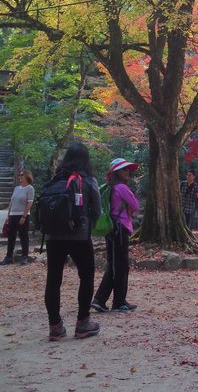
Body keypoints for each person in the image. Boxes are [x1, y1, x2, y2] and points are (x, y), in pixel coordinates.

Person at [44, 143, 102, 341]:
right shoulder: (88, 180)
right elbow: (97, 210)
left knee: (53, 280)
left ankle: (55, 326)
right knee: (86, 276)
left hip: (53, 236)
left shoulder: (54, 180)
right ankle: (83, 323)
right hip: (79, 236)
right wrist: (87, 225)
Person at [91, 157, 140, 313]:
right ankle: (113, 301)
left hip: (112, 229)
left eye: (128, 170)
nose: (128, 172)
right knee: (119, 266)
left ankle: (105, 300)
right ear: (117, 172)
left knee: (116, 265)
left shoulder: (109, 187)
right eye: (125, 170)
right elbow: (136, 205)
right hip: (120, 229)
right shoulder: (121, 188)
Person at [0, 169, 35, 266]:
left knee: (24, 236)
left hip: (22, 215)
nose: (20, 176)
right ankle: (8, 257)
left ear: (27, 176)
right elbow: (12, 202)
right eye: (19, 175)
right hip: (12, 215)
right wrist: (8, 215)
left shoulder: (30, 188)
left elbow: (30, 203)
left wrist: (24, 216)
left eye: (22, 175)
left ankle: (24, 257)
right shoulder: (16, 188)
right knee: (11, 237)